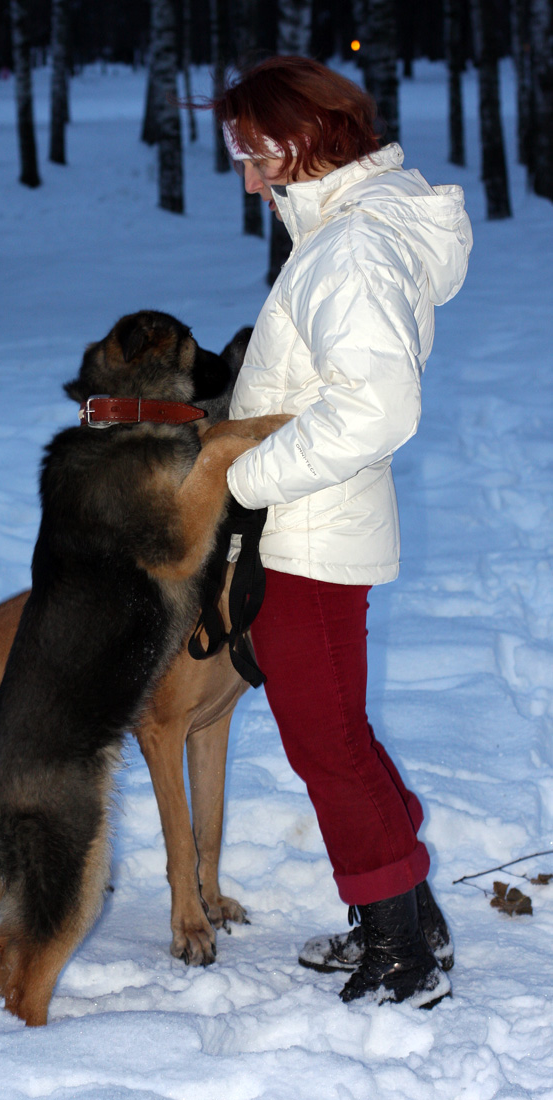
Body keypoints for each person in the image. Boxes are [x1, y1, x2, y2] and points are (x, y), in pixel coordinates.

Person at [210, 56, 472, 1008]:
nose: (249, 181)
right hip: (311, 526)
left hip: (308, 539)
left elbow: (375, 409)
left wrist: (241, 478)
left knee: (327, 745)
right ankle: (405, 916)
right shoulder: (341, 232)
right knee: (336, 737)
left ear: (304, 141)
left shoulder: (351, 249)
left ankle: (403, 951)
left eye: (254, 156)